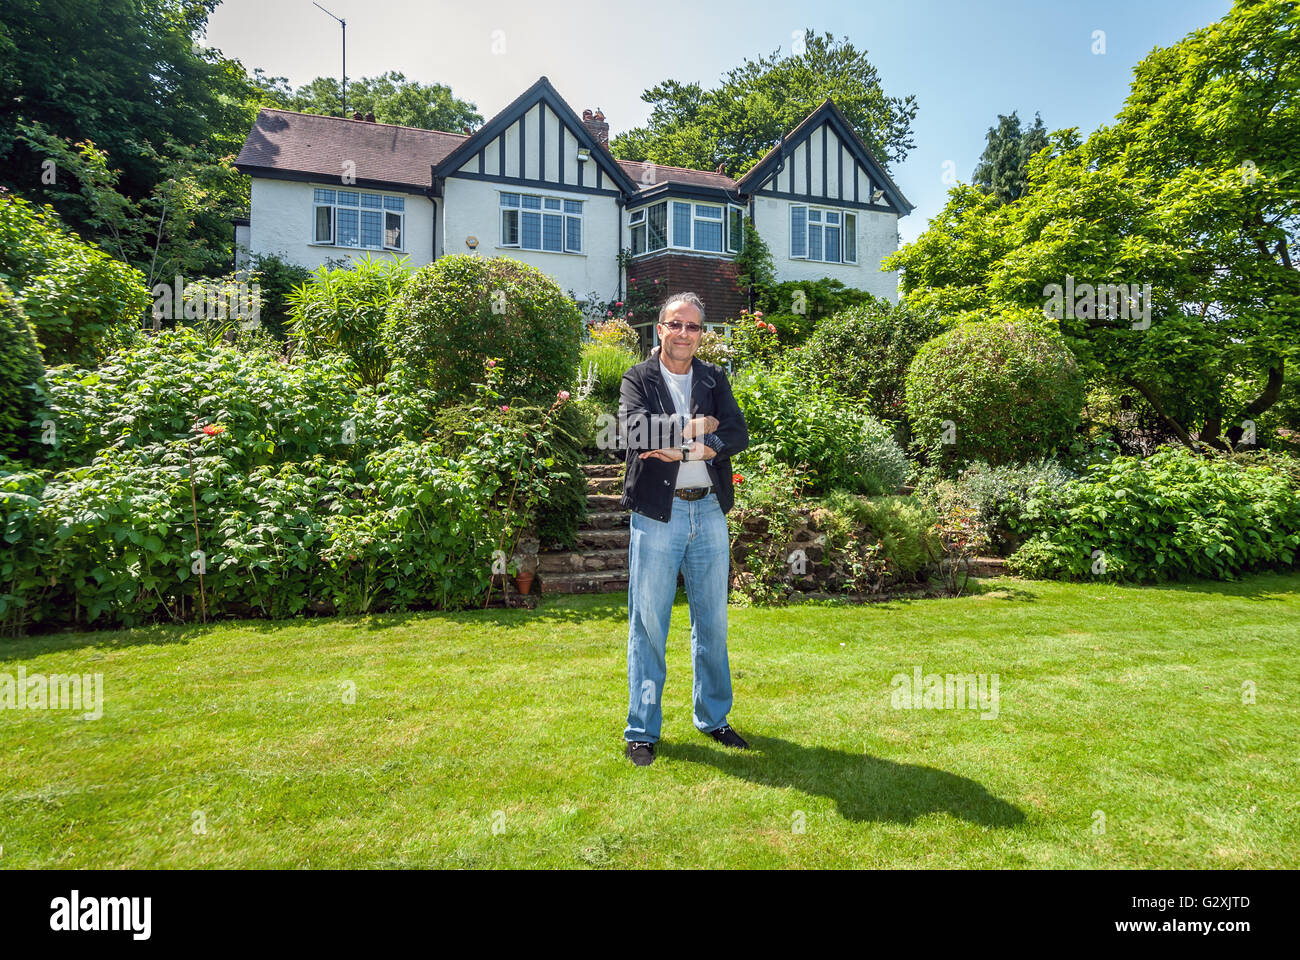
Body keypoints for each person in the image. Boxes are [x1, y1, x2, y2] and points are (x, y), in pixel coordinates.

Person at [617, 292, 750, 766]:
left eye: (694, 327)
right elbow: (632, 433)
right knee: (649, 625)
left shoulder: (714, 377)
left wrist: (685, 447)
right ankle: (642, 730)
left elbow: (736, 432)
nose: (684, 334)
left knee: (711, 622)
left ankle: (714, 718)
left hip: (709, 510)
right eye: (676, 324)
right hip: (659, 514)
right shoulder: (639, 377)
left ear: (701, 333)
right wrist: (696, 425)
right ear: (660, 328)